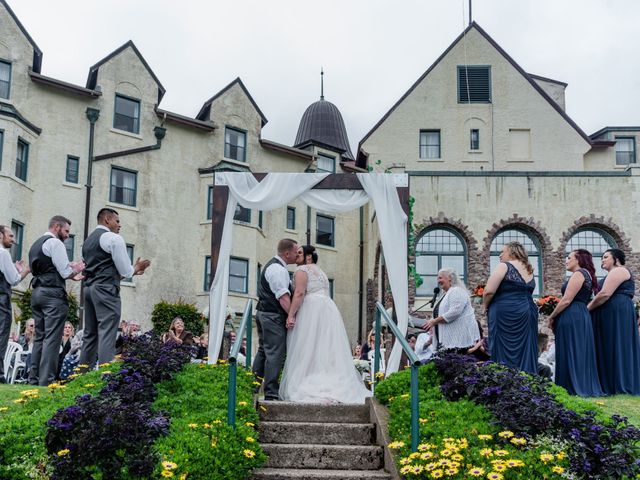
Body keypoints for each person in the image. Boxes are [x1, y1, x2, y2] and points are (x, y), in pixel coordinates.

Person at [279, 245, 372, 404]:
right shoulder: (321, 272)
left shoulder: (302, 271)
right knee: (324, 347)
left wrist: (291, 314)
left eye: (300, 253)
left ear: (309, 257)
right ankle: (330, 382)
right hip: (327, 309)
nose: (297, 256)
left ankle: (309, 380)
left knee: (308, 346)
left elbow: (300, 293)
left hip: (312, 309)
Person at [79, 208, 150, 370]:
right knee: (107, 332)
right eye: (117, 221)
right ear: (107, 220)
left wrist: (132, 271)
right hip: (106, 291)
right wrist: (136, 267)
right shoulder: (113, 239)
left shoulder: (87, 242)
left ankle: (81, 375)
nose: (120, 225)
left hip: (89, 289)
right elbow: (125, 271)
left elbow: (98, 268)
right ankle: (105, 376)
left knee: (90, 334)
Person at [28, 216, 84, 386]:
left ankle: (34, 379)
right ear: (56, 227)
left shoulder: (36, 244)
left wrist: (69, 269)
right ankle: (47, 381)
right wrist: (77, 269)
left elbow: (50, 268)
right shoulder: (55, 243)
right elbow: (66, 272)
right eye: (66, 231)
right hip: (53, 295)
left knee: (39, 338)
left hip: (37, 293)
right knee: (52, 339)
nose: (67, 235)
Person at [546, 250, 602, 396]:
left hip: (573, 314)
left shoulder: (579, 274)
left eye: (569, 258)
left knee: (572, 348)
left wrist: (551, 316)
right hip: (580, 313)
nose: (566, 260)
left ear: (578, 259)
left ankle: (572, 385)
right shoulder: (586, 274)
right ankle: (578, 384)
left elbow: (566, 300)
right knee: (578, 349)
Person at [588, 248, 640, 395]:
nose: (602, 260)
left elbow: (605, 294)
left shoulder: (619, 270)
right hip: (609, 312)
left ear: (616, 259)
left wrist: (587, 309)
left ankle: (621, 384)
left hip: (617, 312)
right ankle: (609, 383)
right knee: (609, 345)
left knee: (618, 344)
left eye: (605, 257)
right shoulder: (612, 273)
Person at [253, 238, 299, 401]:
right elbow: (283, 298)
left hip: (264, 313)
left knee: (264, 351)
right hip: (272, 315)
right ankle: (271, 392)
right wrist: (292, 316)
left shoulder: (274, 266)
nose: (298, 254)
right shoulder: (278, 270)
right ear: (287, 253)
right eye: (296, 251)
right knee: (275, 353)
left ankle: (252, 386)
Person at [483, 241, 538, 374]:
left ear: (512, 252)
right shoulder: (529, 270)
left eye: (503, 252)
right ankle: (526, 380)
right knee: (525, 347)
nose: (500, 255)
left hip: (505, 311)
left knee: (502, 346)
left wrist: (486, 307)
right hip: (527, 312)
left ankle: (504, 381)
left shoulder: (504, 266)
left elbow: (489, 291)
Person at [424, 268, 481, 353]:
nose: (438, 281)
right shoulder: (445, 294)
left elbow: (454, 312)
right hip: (446, 342)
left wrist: (434, 321)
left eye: (440, 278)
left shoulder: (457, 291)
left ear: (449, 278)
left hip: (458, 342)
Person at [0, 225, 30, 383]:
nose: (13, 239)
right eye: (10, 236)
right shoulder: (3, 253)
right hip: (1, 300)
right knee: (1, 335)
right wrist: (25, 270)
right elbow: (14, 280)